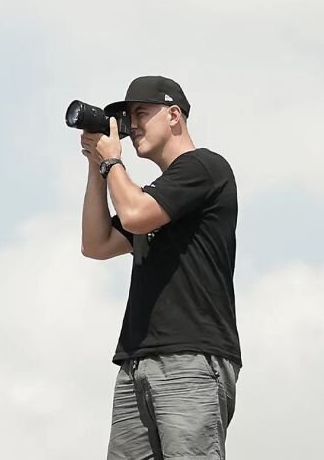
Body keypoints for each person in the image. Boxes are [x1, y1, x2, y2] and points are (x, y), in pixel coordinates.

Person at [78, 76, 241, 459]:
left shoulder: (205, 168)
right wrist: (95, 166)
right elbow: (95, 243)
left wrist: (113, 161)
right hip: (137, 362)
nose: (132, 126)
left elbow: (134, 216)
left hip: (190, 358)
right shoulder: (155, 194)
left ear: (173, 116)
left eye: (140, 114)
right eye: (127, 118)